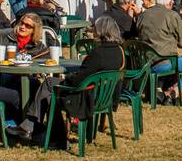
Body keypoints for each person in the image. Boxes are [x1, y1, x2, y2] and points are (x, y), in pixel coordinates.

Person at [10, 15, 127, 145]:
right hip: (105, 97)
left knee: (50, 86)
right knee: (50, 89)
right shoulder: (119, 51)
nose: (93, 31)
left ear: (101, 32)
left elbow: (78, 80)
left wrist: (67, 78)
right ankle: (36, 130)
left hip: (86, 97)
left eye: (95, 28)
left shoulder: (98, 55)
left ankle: (37, 130)